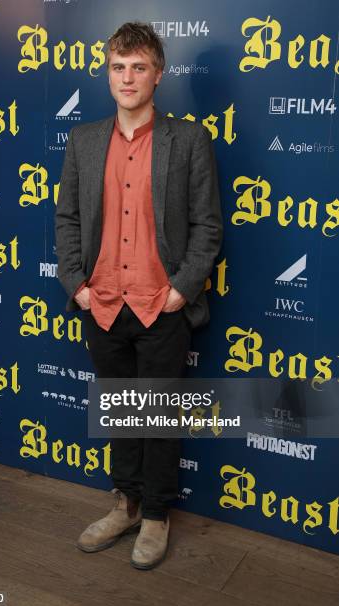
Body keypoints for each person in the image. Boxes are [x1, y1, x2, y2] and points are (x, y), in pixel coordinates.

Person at [55, 21, 223, 570]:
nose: (126, 77)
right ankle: (124, 503)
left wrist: (180, 290)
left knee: (157, 420)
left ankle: (155, 515)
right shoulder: (83, 140)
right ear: (108, 75)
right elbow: (68, 218)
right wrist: (76, 285)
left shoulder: (190, 140)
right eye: (117, 67)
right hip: (101, 303)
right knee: (120, 415)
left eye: (138, 67)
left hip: (161, 306)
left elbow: (207, 227)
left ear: (158, 74)